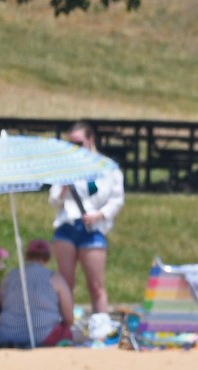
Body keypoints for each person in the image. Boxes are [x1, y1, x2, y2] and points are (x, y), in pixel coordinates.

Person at [49, 121, 124, 337]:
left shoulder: (108, 167)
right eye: (71, 143)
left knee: (96, 285)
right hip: (67, 225)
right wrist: (63, 188)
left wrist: (99, 215)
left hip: (92, 228)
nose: (75, 147)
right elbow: (54, 200)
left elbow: (116, 200)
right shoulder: (64, 167)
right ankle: (65, 328)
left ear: (90, 140)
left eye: (79, 143)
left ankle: (101, 330)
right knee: (66, 282)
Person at [0, 239, 75, 347]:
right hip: (44, 336)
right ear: (48, 257)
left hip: (7, 334)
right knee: (66, 332)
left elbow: (3, 305)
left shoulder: (9, 277)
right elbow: (69, 318)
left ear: (27, 256)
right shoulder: (55, 278)